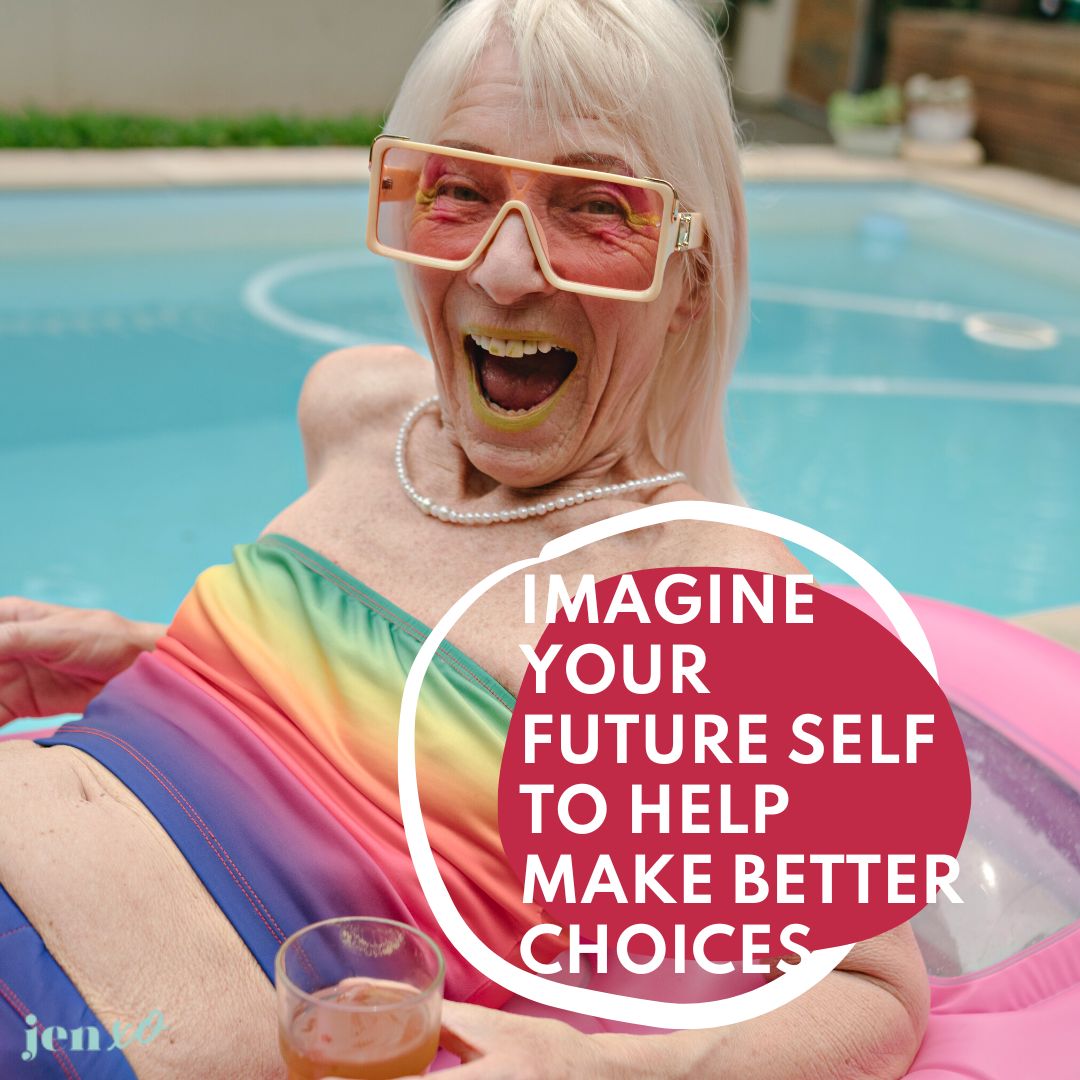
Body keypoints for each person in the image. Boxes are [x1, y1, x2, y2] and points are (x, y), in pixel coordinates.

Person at [0, 1, 929, 1077]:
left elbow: (874, 993)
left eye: (593, 207)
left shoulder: (722, 606)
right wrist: (169, 655)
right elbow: (384, 701)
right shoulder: (355, 408)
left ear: (694, 277)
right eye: (460, 191)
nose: (504, 272)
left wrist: (598, 1066)